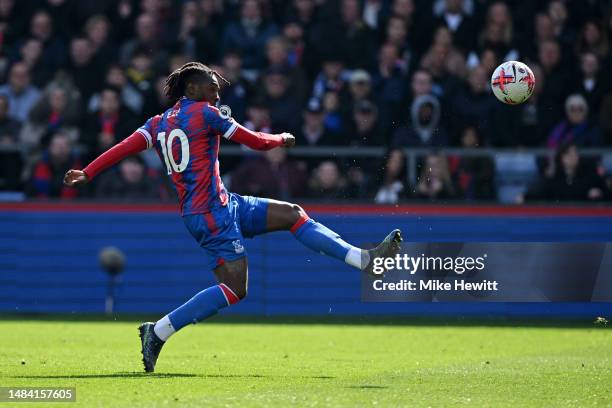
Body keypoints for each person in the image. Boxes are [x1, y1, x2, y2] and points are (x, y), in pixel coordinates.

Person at [63, 62, 402, 373]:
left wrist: (88, 173)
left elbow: (122, 147)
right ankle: (160, 330)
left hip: (224, 204)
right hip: (211, 214)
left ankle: (362, 259)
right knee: (235, 289)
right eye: (212, 87)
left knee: (293, 215)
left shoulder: (157, 123)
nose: (218, 92)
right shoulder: (206, 114)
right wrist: (281, 138)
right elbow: (255, 141)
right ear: (193, 89)